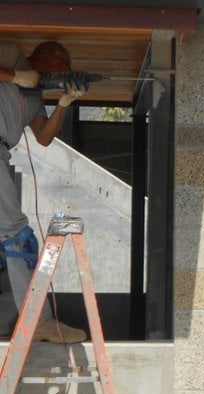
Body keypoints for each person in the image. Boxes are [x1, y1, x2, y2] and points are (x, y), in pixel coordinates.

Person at [0, 40, 88, 343]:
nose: (59, 76)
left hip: (1, 155)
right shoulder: (10, 54)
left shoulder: (34, 99)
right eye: (60, 69)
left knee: (6, 241)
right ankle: (38, 321)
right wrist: (14, 75)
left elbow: (44, 138)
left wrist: (63, 104)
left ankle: (5, 318)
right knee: (17, 237)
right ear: (47, 58)